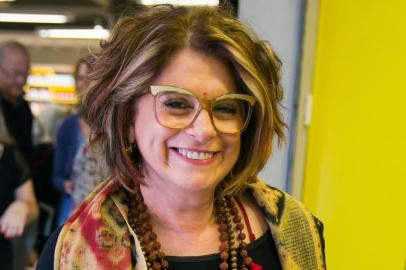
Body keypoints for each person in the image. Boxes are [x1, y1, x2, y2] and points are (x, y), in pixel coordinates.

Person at [38, 5, 326, 270]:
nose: (203, 130)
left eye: (226, 108)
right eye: (176, 104)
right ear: (126, 120)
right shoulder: (69, 254)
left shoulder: (296, 230)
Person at [0, 41, 39, 270]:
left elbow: (29, 202)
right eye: (14, 74)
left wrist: (23, 206)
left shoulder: (22, 108)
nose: (20, 81)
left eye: (25, 74)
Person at [52, 57, 92, 226]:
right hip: (72, 209)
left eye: (91, 77)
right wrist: (66, 185)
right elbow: (56, 176)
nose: (85, 84)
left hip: (104, 209)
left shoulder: (111, 127)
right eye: (81, 78)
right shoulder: (68, 126)